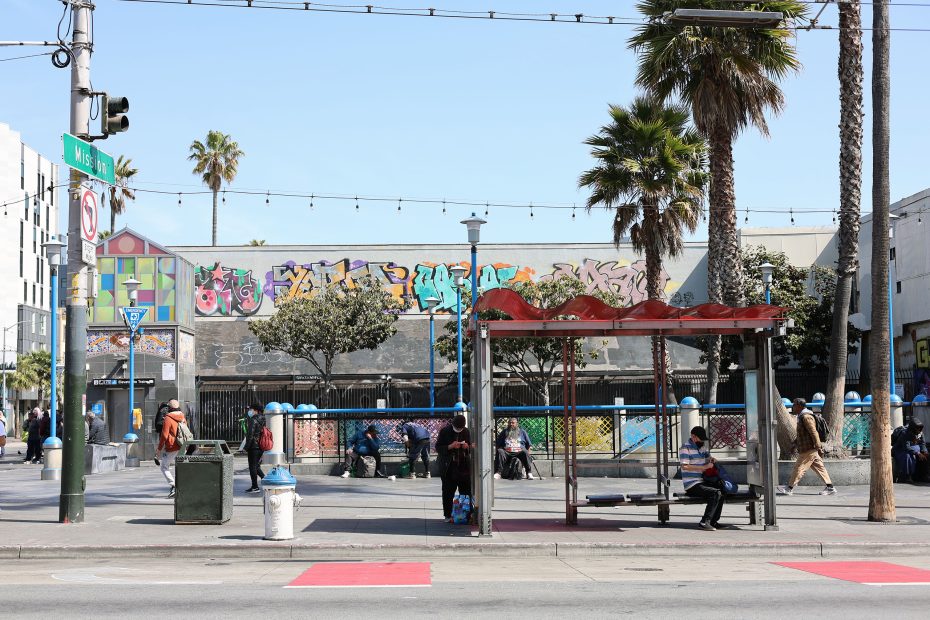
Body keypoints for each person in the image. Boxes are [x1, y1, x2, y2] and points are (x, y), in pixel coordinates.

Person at [777, 398, 837, 496]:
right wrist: (795, 444)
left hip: (808, 448)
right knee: (820, 468)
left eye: (794, 405)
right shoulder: (801, 416)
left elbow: (813, 432)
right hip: (807, 447)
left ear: (800, 406)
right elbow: (802, 434)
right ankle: (830, 487)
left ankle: (789, 488)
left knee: (799, 467)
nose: (793, 407)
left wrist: (818, 447)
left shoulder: (806, 417)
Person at [679, 425, 725, 531]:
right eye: (701, 438)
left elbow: (708, 457)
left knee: (722, 490)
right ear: (693, 436)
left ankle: (713, 521)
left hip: (703, 481)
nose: (702, 441)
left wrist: (712, 459)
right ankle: (705, 522)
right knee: (715, 493)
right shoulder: (685, 448)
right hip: (692, 484)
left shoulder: (702, 448)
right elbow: (685, 466)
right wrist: (703, 467)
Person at [436, 414, 471, 523]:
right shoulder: (445, 431)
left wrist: (467, 447)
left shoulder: (466, 431)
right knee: (448, 492)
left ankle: (464, 515)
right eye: (457, 428)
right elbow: (438, 448)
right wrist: (450, 446)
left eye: (461, 429)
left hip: (463, 466)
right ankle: (447, 514)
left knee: (465, 491)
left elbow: (470, 446)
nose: (459, 430)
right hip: (449, 467)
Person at [156, 400, 187, 498]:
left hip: (172, 446)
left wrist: (159, 449)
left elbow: (164, 435)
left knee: (164, 467)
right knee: (181, 467)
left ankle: (173, 485)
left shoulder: (168, 418)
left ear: (169, 408)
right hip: (182, 445)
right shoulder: (182, 416)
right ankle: (182, 488)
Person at [242, 403, 266, 492]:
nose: (249, 411)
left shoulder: (253, 420)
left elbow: (250, 435)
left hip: (253, 447)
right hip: (261, 446)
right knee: (255, 466)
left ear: (255, 410)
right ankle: (265, 479)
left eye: (250, 409)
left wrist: (246, 447)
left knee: (252, 467)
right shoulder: (263, 419)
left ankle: (255, 487)